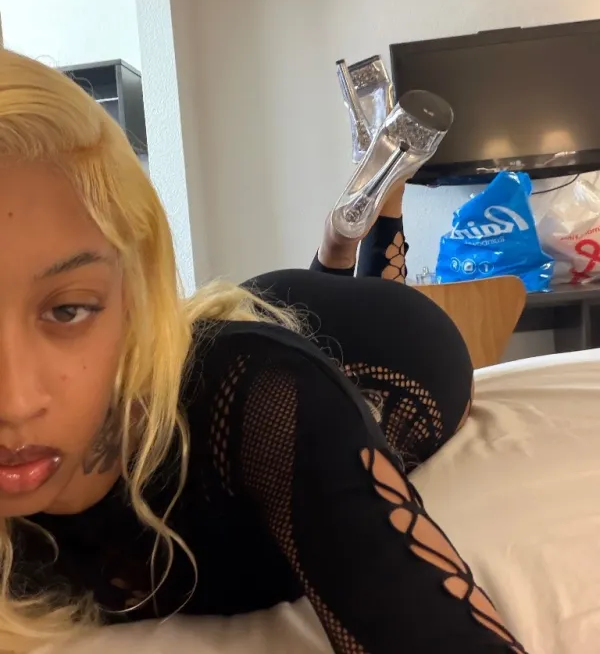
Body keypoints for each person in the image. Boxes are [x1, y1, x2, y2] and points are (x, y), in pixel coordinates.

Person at [0, 50, 526, 653]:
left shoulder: (261, 398)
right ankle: (351, 220)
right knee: (296, 315)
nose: (14, 403)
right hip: (263, 308)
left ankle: (380, 197)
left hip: (392, 343)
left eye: (69, 309)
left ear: (136, 296)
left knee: (344, 324)